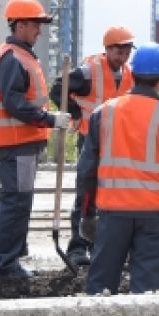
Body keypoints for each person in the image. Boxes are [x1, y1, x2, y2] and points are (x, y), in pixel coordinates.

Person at [75, 42, 159, 295]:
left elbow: (86, 171)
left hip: (111, 214)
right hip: (154, 217)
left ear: (133, 74)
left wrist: (85, 214)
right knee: (146, 294)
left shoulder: (103, 114)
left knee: (100, 291)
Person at [0, 0, 72, 284]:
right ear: (20, 25)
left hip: (21, 143)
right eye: (36, 24)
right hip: (17, 142)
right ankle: (4, 266)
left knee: (19, 201)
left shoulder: (20, 56)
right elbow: (15, 104)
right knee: (16, 203)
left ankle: (10, 260)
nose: (40, 30)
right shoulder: (12, 58)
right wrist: (50, 120)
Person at [49, 25, 136, 266]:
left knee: (111, 194)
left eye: (127, 51)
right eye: (119, 51)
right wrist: (74, 112)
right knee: (86, 194)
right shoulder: (89, 72)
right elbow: (58, 88)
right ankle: (78, 247)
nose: (124, 56)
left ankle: (101, 243)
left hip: (115, 143)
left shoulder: (128, 74)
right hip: (90, 140)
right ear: (108, 49)